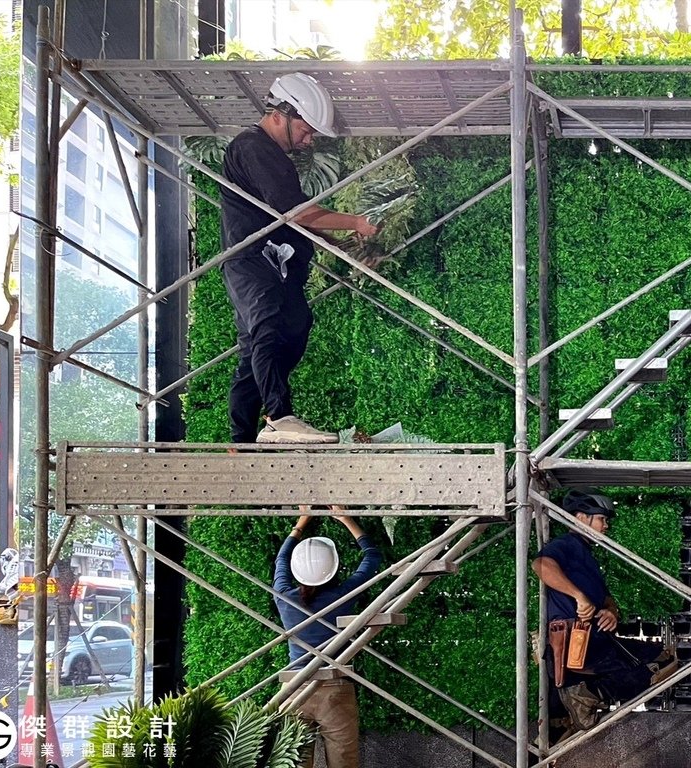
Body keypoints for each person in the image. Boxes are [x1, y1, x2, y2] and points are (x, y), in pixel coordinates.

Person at [220, 72, 379, 444]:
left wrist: (338, 245)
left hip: (275, 259)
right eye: (306, 131)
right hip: (253, 259)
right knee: (269, 326)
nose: (309, 141)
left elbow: (291, 218)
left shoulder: (272, 156)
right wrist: (354, 221)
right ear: (281, 114)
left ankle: (241, 440)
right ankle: (278, 416)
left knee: (285, 331)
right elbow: (296, 213)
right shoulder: (253, 146)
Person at [532, 488, 677, 741]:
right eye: (602, 519)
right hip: (576, 641)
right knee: (663, 661)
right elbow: (541, 565)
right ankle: (587, 695)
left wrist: (611, 611)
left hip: (594, 639)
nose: (606, 526)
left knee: (663, 661)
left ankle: (584, 696)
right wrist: (578, 597)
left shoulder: (586, 554)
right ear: (580, 517)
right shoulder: (566, 544)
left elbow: (606, 597)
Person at [274, 511, 382, 768]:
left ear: (296, 572)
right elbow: (373, 556)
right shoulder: (343, 596)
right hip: (335, 688)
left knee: (292, 764)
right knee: (344, 763)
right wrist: (346, 519)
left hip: (293, 688)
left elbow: (281, 559)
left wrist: (301, 522)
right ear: (332, 569)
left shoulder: (283, 597)